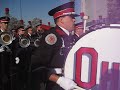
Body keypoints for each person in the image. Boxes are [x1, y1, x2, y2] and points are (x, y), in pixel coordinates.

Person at [31, 1, 79, 90]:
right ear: (61, 20)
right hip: (57, 85)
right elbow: (36, 66)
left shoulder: (71, 37)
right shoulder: (52, 37)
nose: (74, 20)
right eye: (71, 17)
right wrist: (59, 80)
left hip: (72, 80)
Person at [0, 16, 13, 90]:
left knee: (7, 81)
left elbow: (12, 46)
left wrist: (10, 51)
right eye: (4, 23)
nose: (6, 25)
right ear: (0, 24)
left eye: (7, 23)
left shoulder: (8, 34)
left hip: (7, 61)